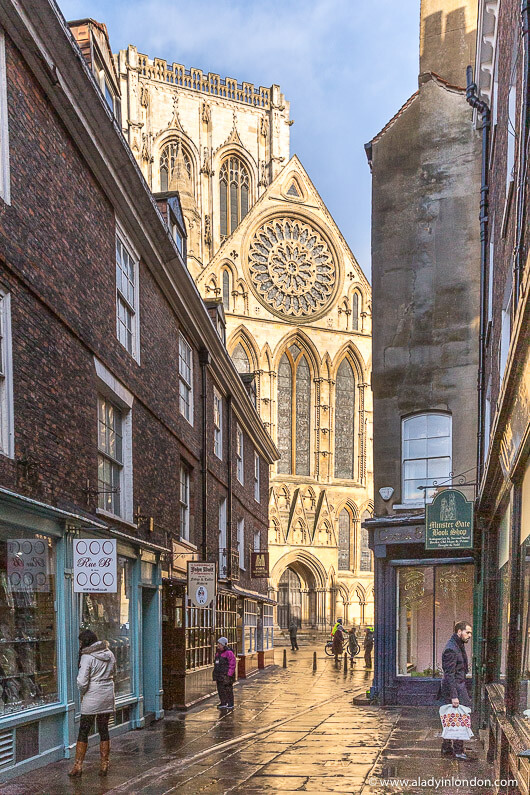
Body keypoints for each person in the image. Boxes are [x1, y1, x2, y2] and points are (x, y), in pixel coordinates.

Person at [68, 629, 116, 777]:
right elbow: (114, 671)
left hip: (93, 695)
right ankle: (104, 764)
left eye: (81, 642)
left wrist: (83, 692)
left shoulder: (87, 657)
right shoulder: (109, 653)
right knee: (103, 728)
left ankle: (78, 765)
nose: (80, 645)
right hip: (108, 693)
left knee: (84, 729)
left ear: (86, 642)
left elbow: (82, 682)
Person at [439, 621, 473, 760]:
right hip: (455, 689)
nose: (469, 635)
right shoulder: (451, 649)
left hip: (458, 687)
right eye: (467, 632)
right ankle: (458, 751)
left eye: (470, 633)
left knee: (452, 717)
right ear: (459, 631)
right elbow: (449, 675)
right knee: (459, 718)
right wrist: (454, 696)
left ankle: (447, 747)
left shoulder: (457, 645)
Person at [213, 636, 236, 709]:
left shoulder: (229, 653)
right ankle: (223, 702)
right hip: (219, 675)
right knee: (220, 689)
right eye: (218, 643)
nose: (218, 645)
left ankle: (230, 703)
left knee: (228, 689)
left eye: (219, 644)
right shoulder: (218, 653)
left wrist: (229, 674)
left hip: (226, 675)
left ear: (223, 644)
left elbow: (232, 664)